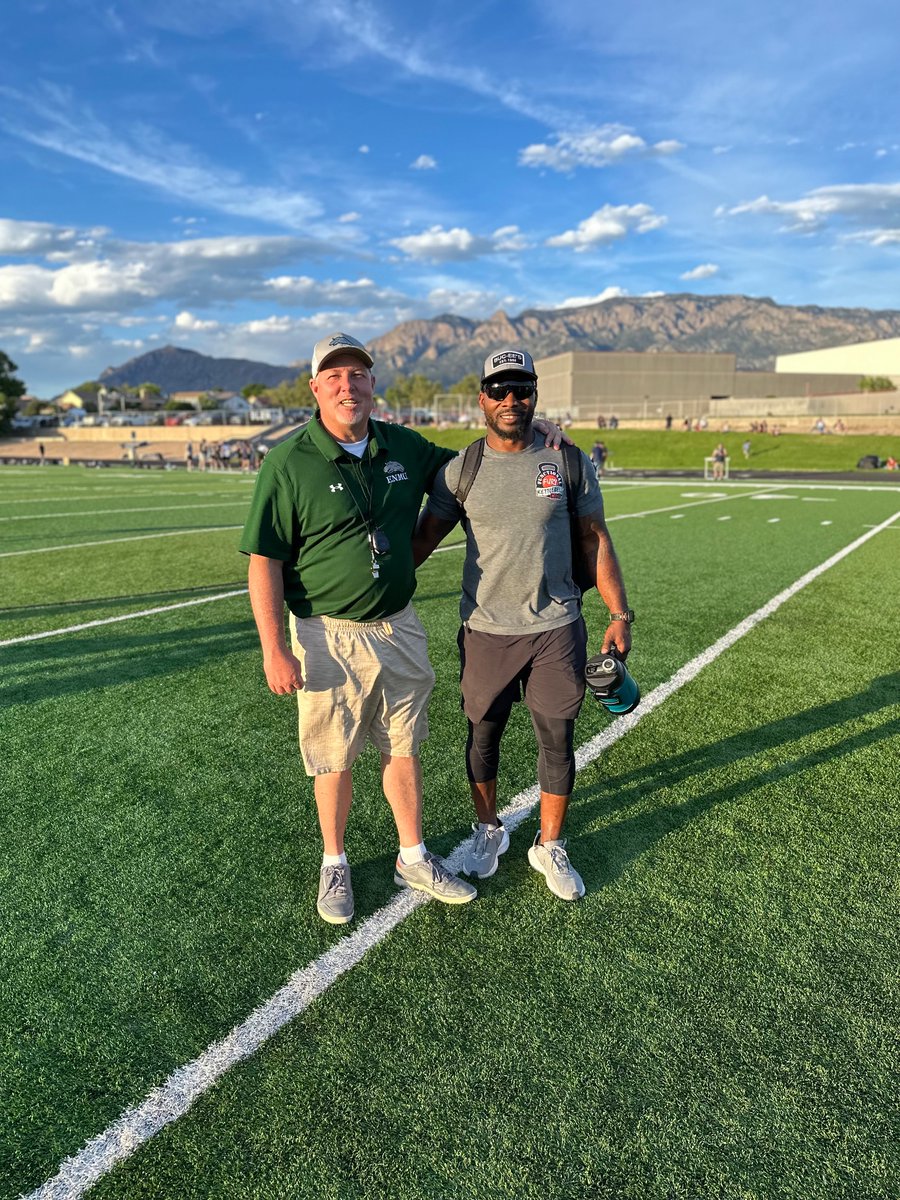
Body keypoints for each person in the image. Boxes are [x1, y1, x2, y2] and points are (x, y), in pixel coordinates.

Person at [241, 334, 565, 925]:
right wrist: (272, 648)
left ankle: (411, 855)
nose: (347, 386)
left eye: (357, 375)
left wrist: (535, 433)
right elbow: (264, 560)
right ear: (315, 388)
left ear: (371, 384)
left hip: (399, 625)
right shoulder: (289, 462)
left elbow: (477, 461)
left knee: (404, 745)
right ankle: (334, 861)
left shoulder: (400, 444)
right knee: (333, 755)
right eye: (333, 376)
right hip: (326, 631)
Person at [412, 348, 634, 902]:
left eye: (523, 389)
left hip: (557, 625)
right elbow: (422, 540)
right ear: (482, 398)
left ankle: (549, 844)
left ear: (535, 393)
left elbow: (594, 537)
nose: (512, 400)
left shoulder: (566, 460)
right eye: (501, 390)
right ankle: (489, 830)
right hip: (486, 629)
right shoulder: (461, 468)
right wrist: (364, 590)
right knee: (483, 735)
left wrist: (619, 613)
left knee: (557, 737)